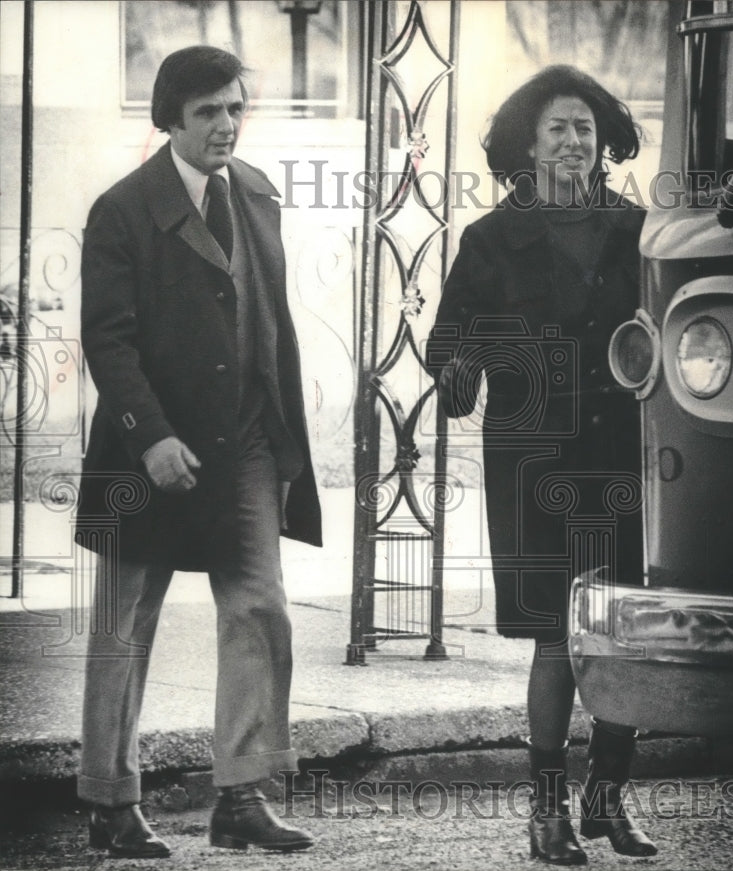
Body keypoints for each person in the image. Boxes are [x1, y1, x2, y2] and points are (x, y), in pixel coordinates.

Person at [75, 45, 322, 857]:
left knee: (260, 608)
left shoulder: (255, 192)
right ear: (171, 120)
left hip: (246, 439)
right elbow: (108, 344)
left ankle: (242, 796)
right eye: (208, 111)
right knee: (124, 624)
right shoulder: (122, 210)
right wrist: (152, 438)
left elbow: (269, 319)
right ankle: (112, 802)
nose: (226, 124)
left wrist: (280, 432)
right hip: (149, 449)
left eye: (235, 107)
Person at [429, 65, 657, 864]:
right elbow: (448, 340)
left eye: (585, 129)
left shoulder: (639, 230)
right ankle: (546, 815)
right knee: (556, 639)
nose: (572, 141)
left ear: (604, 144)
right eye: (557, 128)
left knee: (624, 635)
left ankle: (608, 800)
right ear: (529, 145)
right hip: (532, 465)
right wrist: (458, 371)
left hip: (623, 457)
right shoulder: (490, 241)